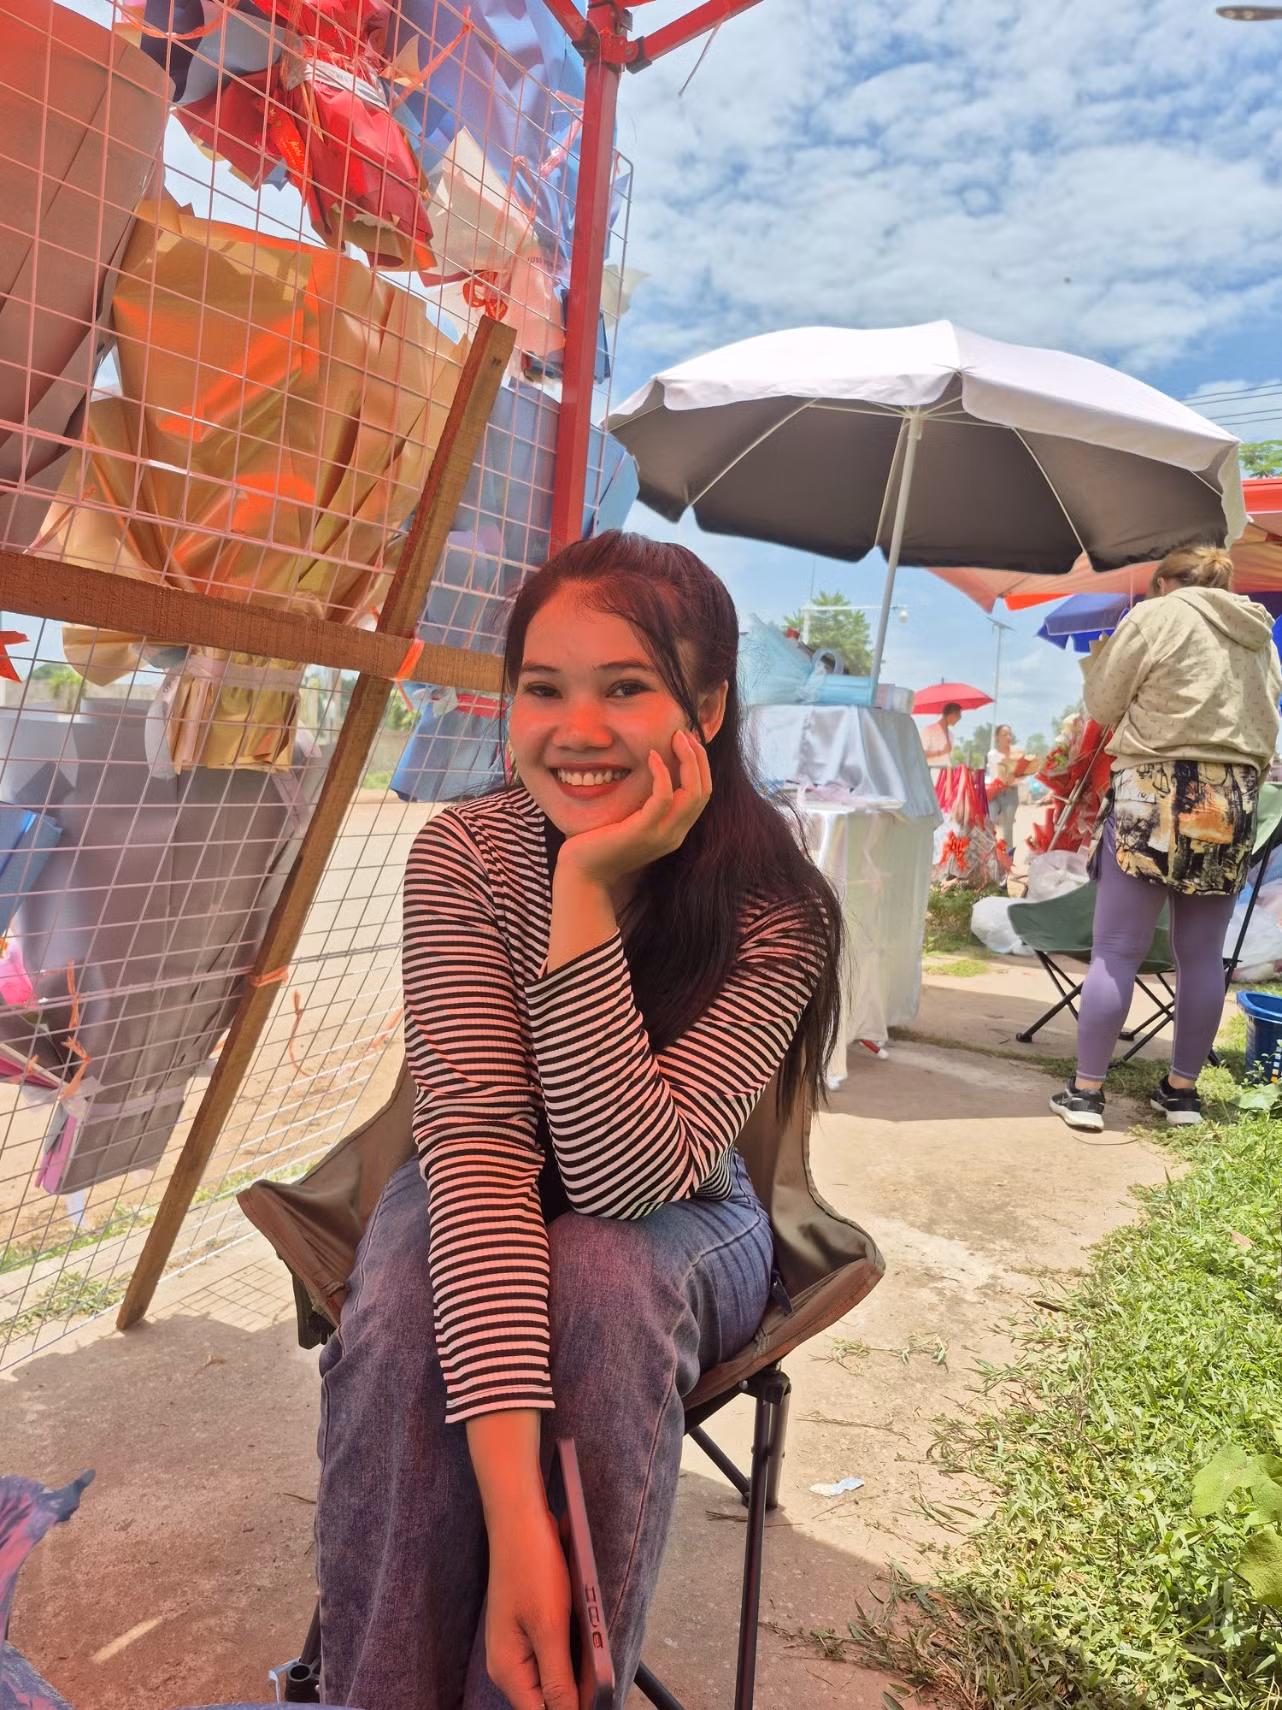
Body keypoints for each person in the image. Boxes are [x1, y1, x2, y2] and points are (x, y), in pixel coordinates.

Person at [314, 532, 844, 1710]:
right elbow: (483, 1154)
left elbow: (623, 1177)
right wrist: (519, 1528)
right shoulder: (464, 855)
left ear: (707, 709)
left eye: (627, 688)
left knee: (601, 1273)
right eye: (543, 689)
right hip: (481, 1177)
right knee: (405, 1287)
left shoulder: (779, 909)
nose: (577, 730)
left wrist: (585, 890)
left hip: (684, 1215)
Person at [1050, 543, 1281, 1133]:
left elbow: (1103, 703)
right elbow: (1268, 715)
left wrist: (1103, 663)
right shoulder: (1258, 633)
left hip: (1153, 787)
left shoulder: (1153, 616)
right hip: (1230, 795)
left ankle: (1086, 1094)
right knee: (1202, 955)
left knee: (1117, 949)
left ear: (1162, 584)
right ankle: (1182, 1094)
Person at [985, 724, 1036, 854]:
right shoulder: (992, 754)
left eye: (1009, 734)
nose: (1008, 737)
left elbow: (1023, 775)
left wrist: (1019, 769)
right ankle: (989, 855)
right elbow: (998, 774)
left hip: (1011, 793)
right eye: (1004, 734)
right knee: (990, 821)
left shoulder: (1019, 753)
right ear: (997, 737)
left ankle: (1008, 858)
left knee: (1008, 828)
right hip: (994, 792)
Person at [920, 701, 961, 775]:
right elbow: (920, 754)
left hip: (946, 775)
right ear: (951, 714)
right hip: (931, 775)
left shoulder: (951, 735)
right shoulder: (929, 730)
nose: (959, 718)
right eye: (958, 715)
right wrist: (941, 752)